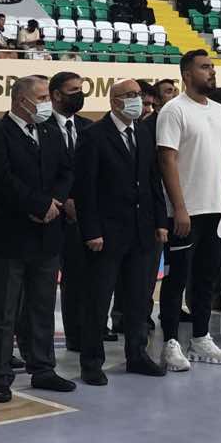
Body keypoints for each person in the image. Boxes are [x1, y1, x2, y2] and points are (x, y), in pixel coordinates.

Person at [0, 75, 77, 402]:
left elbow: (66, 171)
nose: (48, 103)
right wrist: (37, 205)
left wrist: (53, 203)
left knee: (42, 307)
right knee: (3, 311)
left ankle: (43, 368)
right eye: (43, 97)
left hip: (47, 235)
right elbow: (2, 181)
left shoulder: (50, 132)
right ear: (22, 100)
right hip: (10, 236)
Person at [73, 79, 169, 384]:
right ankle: (91, 362)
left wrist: (160, 222)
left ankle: (137, 354)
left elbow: (153, 181)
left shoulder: (143, 132)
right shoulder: (93, 135)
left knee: (138, 300)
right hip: (106, 233)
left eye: (139, 95)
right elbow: (85, 188)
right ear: (115, 101)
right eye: (131, 95)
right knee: (98, 301)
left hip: (141, 231)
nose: (137, 100)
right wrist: (92, 231)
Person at [155, 50, 221, 371]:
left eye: (212, 67)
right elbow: (167, 160)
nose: (211, 72)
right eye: (204, 67)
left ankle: (201, 338)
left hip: (215, 210)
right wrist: (179, 207)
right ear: (187, 75)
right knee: (177, 279)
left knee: (206, 277)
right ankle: (170, 343)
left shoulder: (218, 111)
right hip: (185, 212)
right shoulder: (174, 110)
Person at [48, 71, 94, 353]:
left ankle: (78, 337)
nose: (79, 94)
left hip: (81, 217)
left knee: (78, 281)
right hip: (48, 214)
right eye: (73, 90)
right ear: (56, 94)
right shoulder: (41, 127)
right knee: (39, 285)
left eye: (80, 88)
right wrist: (62, 199)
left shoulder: (88, 127)